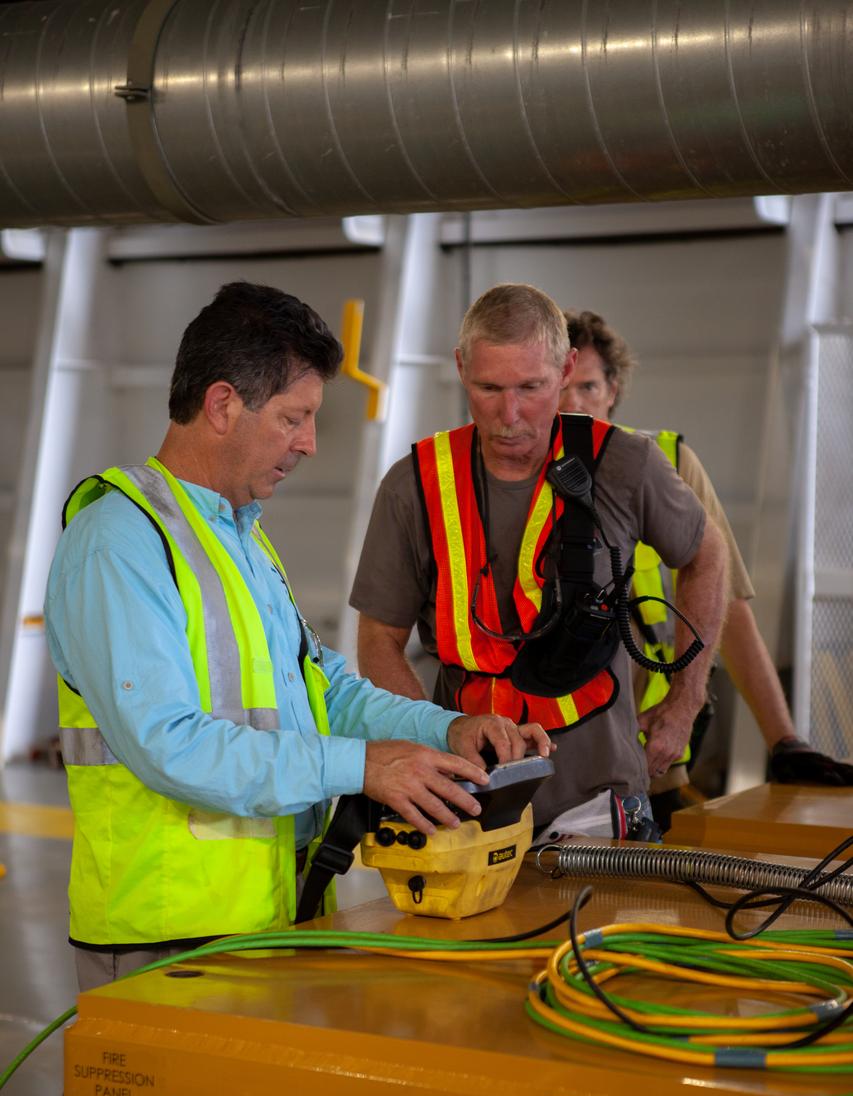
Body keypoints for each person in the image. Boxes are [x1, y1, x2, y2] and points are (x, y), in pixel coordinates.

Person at [45, 282, 550, 990]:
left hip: (265, 923)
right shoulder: (119, 541)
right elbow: (168, 744)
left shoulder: (237, 537)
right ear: (222, 404)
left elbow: (325, 691)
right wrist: (362, 767)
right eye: (294, 418)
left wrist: (448, 730)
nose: (309, 443)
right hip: (164, 943)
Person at [350, 284, 728, 840]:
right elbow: (378, 640)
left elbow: (708, 555)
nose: (510, 416)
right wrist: (436, 734)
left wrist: (685, 700)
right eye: (488, 388)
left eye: (532, 387)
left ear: (567, 367)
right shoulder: (416, 486)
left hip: (598, 802)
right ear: (460, 368)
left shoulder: (624, 463)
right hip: (466, 802)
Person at [560, 308, 853, 828]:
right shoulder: (505, 474)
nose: (572, 406)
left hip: (648, 757)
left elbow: (727, 609)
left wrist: (783, 741)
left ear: (613, 388)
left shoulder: (665, 462)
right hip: (544, 761)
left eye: (586, 387)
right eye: (558, 386)